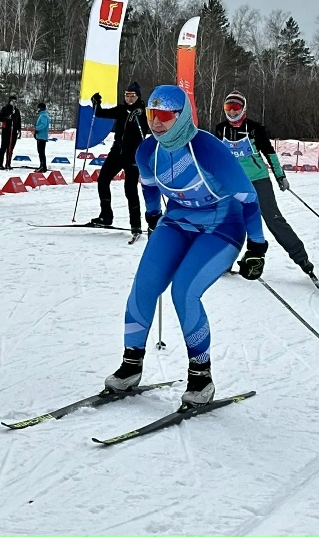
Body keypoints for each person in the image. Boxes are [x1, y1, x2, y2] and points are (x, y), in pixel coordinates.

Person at [104, 85, 268, 406]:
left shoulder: (206, 148)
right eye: (153, 114)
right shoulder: (147, 151)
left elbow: (247, 197)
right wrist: (153, 216)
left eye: (165, 115)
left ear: (181, 116)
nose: (157, 122)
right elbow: (149, 187)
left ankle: (200, 377)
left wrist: (257, 247)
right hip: (177, 222)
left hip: (222, 225)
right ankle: (131, 365)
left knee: (184, 290)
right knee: (144, 287)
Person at [214, 90, 318, 280]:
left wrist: (280, 176)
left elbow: (270, 154)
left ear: (243, 108)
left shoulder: (254, 129)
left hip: (258, 180)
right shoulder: (221, 129)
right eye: (228, 108)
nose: (232, 112)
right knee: (231, 222)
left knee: (273, 219)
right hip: (234, 183)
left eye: (236, 108)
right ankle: (224, 261)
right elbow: (217, 157)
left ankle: (302, 259)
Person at [89, 81, 150, 232]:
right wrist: (96, 103)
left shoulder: (142, 111)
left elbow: (148, 125)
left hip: (133, 156)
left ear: (138, 97)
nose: (129, 98)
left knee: (130, 189)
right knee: (103, 180)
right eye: (127, 95)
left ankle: (135, 224)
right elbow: (101, 113)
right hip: (117, 152)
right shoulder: (122, 109)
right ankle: (106, 216)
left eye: (132, 96)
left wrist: (140, 113)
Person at [0, 95, 21, 169]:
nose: (14, 103)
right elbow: (0, 118)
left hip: (14, 132)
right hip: (6, 131)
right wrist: (8, 118)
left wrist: (19, 129)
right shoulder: (5, 109)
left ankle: (8, 163)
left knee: (11, 148)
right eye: (13, 101)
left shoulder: (16, 111)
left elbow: (19, 121)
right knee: (4, 147)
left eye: (15, 102)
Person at [33, 101, 51, 173]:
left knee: (41, 152)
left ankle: (43, 166)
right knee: (41, 152)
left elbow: (43, 124)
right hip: (41, 136)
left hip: (41, 136)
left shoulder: (43, 115)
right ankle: (42, 166)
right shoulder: (43, 115)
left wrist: (37, 129)